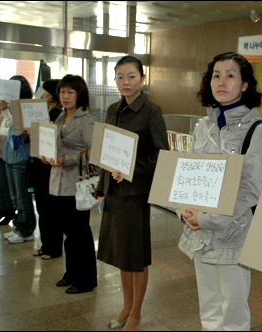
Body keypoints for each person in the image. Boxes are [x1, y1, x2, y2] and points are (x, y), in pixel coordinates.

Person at [177, 52, 262, 331]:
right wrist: (183, 211)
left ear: (245, 85)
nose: (222, 81)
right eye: (216, 75)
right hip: (200, 235)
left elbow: (250, 189)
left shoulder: (258, 130)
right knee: (208, 308)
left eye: (230, 75)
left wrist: (206, 218)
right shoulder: (203, 126)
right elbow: (187, 174)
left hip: (233, 235)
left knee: (233, 312)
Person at [96, 56, 169, 331]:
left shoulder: (151, 110)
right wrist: (102, 188)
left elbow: (161, 154)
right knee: (121, 254)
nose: (125, 82)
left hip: (135, 193)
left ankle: (136, 313)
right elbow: (107, 149)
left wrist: (131, 169)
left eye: (131, 76)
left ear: (142, 78)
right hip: (114, 192)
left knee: (135, 256)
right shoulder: (113, 108)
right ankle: (126, 305)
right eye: (119, 77)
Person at [42, 74, 98, 294]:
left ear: (80, 95)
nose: (65, 96)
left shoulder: (87, 120)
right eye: (62, 92)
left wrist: (68, 159)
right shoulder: (59, 118)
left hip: (77, 183)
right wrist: (47, 155)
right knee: (68, 232)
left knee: (79, 233)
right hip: (58, 183)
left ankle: (85, 280)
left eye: (70, 92)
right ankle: (71, 273)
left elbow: (94, 152)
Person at [1, 75, 37, 244]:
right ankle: (18, 225)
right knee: (15, 196)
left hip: (21, 157)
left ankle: (26, 229)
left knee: (22, 196)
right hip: (10, 156)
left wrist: (6, 110)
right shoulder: (10, 106)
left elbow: (17, 130)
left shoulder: (27, 108)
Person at [31, 79, 63, 259]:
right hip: (38, 162)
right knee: (42, 208)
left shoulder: (58, 115)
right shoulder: (39, 113)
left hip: (51, 166)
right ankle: (45, 244)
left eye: (45, 91)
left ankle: (54, 247)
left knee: (51, 209)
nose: (41, 94)